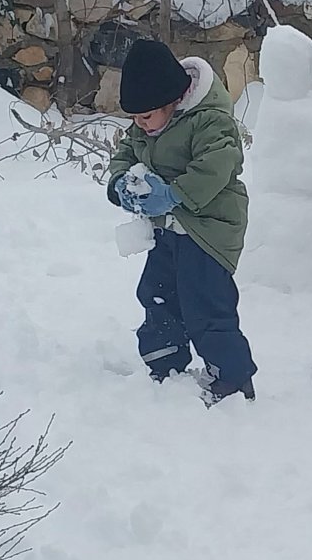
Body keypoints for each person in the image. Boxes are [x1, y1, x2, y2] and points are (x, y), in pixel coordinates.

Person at [106, 39, 257, 405]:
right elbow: (126, 153)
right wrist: (120, 183)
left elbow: (218, 166)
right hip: (166, 230)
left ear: (174, 100)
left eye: (146, 116)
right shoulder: (146, 123)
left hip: (209, 228)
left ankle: (232, 376)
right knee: (157, 292)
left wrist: (174, 195)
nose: (140, 125)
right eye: (135, 119)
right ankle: (165, 360)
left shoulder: (210, 120)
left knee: (204, 303)